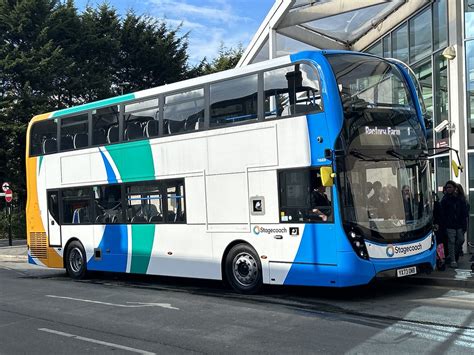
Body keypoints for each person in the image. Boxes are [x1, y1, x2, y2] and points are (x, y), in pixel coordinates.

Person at [440, 180, 468, 268]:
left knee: (461, 240)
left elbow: (464, 213)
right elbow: (442, 213)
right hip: (449, 225)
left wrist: (464, 225)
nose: (448, 189)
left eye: (450, 187)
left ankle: (450, 256)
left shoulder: (459, 199)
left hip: (459, 224)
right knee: (451, 242)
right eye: (447, 187)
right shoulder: (444, 199)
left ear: (454, 188)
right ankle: (453, 260)